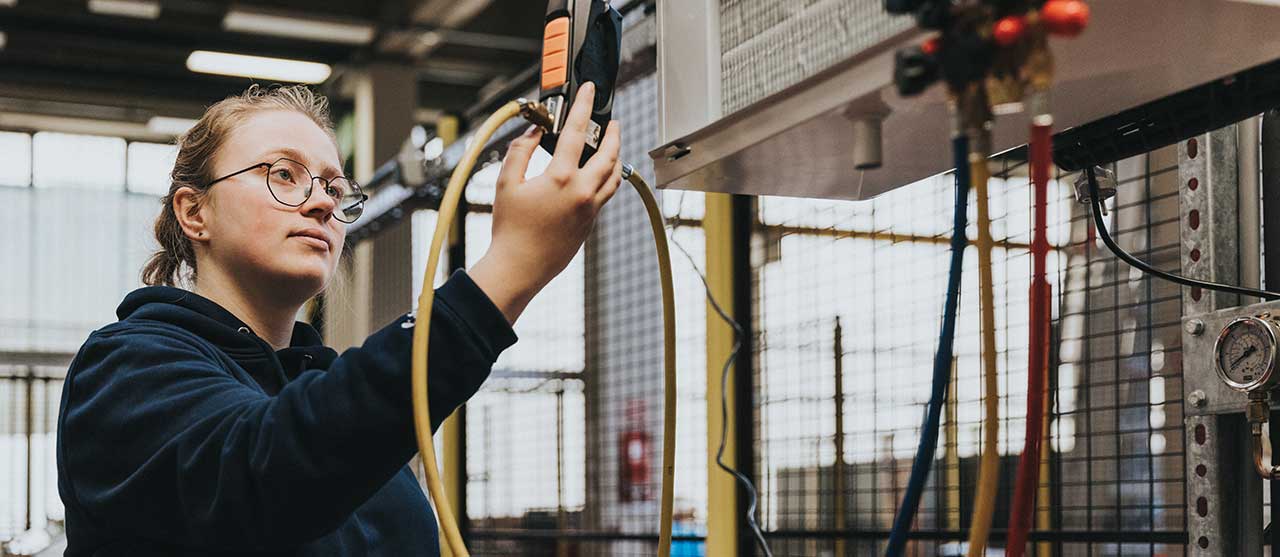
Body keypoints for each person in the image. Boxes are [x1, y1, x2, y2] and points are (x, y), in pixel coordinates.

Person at [55, 82, 622, 556]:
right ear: (194, 211)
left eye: (333, 185)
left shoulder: (331, 400)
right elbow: (270, 469)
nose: (324, 202)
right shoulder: (125, 371)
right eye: (284, 174)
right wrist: (504, 273)